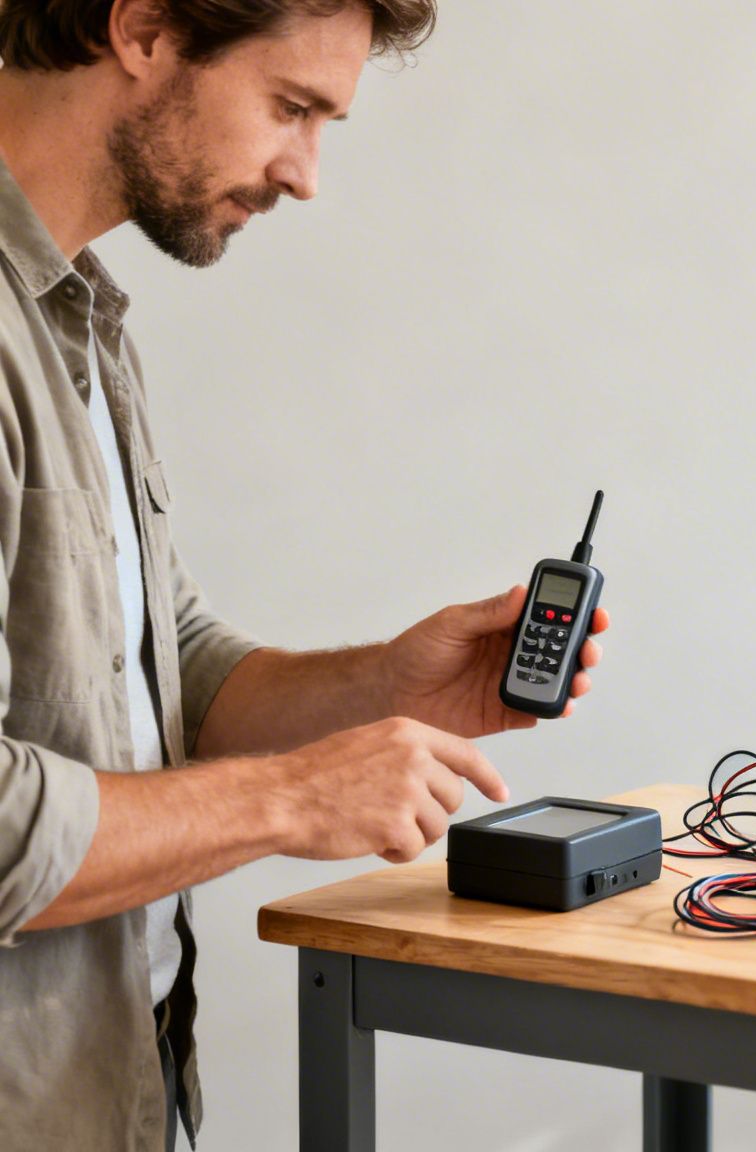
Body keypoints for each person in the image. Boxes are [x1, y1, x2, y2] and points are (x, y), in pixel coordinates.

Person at [0, 3, 609, 1148]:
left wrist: (384, 688)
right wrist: (292, 797)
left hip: (115, 1087)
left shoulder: (83, 321)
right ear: (143, 28)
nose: (305, 174)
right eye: (291, 107)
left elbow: (157, 668)